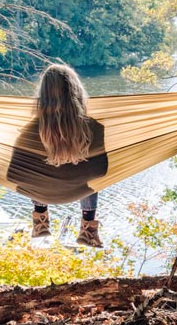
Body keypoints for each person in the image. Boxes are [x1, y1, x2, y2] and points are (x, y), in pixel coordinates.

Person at [6, 64, 108, 248]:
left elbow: (12, 175)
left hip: (41, 193)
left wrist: (44, 171)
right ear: (76, 91)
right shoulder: (94, 128)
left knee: (34, 170)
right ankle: (88, 227)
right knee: (92, 181)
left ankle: (40, 219)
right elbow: (101, 171)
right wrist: (74, 167)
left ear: (42, 96)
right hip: (79, 190)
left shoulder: (29, 131)